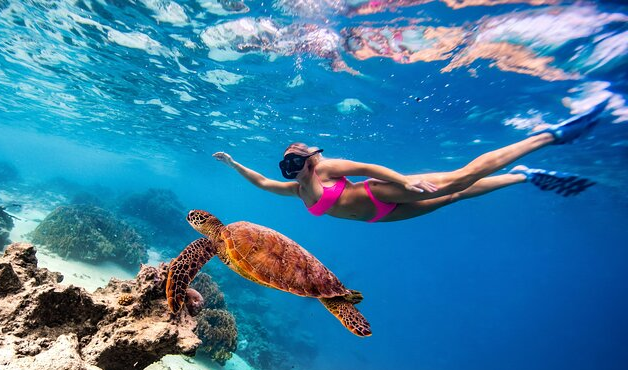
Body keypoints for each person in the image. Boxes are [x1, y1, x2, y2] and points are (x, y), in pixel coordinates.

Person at [213, 101, 606, 223]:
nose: (290, 167)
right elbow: (262, 183)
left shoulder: (327, 167)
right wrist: (234, 164)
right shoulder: (295, 190)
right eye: (286, 163)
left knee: (460, 178)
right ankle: (526, 176)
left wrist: (406, 182)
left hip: (386, 189)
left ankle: (549, 135)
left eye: (296, 159)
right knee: (455, 197)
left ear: (309, 158)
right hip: (379, 217)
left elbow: (368, 168)